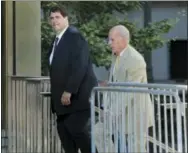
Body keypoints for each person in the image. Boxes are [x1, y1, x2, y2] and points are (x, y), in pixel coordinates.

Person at [95, 25, 154, 152]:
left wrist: (111, 112)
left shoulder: (135, 59)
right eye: (108, 40)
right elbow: (117, 82)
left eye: (112, 40)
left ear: (123, 39)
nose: (109, 43)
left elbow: (130, 90)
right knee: (98, 132)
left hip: (136, 113)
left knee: (136, 149)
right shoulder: (116, 56)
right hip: (119, 111)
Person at [48, 6, 98, 153]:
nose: (54, 21)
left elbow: (80, 66)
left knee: (82, 137)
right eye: (51, 18)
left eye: (57, 17)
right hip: (61, 105)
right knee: (67, 140)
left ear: (66, 18)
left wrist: (69, 90)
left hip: (76, 101)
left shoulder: (74, 36)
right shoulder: (56, 40)